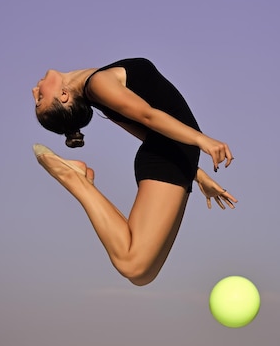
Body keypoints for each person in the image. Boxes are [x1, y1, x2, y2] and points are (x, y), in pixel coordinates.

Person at [32, 58, 237, 286]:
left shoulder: (96, 92)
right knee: (133, 266)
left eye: (38, 98)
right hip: (165, 158)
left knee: (142, 275)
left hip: (174, 159)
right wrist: (201, 140)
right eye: (40, 98)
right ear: (63, 96)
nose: (34, 90)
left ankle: (81, 181)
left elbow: (146, 131)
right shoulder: (98, 84)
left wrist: (196, 173)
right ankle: (73, 179)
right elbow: (147, 116)